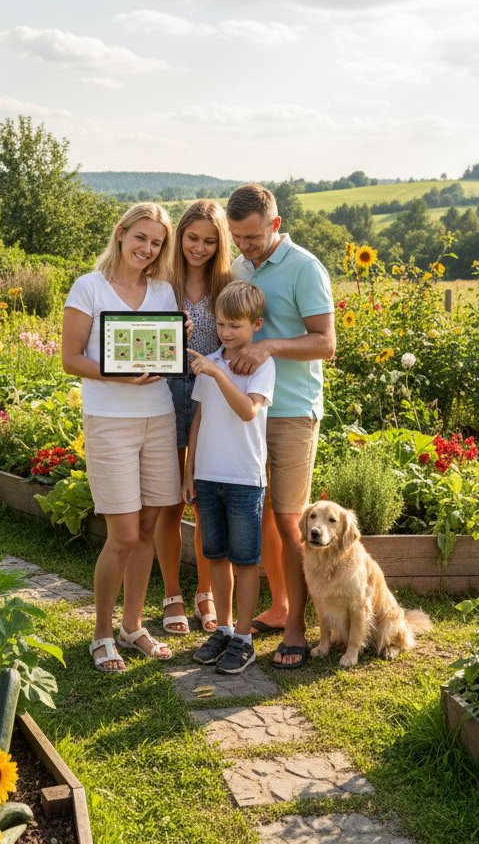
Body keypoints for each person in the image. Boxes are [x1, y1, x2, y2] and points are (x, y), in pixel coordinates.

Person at [62, 202, 182, 673]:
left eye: (156, 243)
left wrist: (175, 344)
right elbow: (71, 358)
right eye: (141, 238)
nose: (148, 249)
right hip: (110, 420)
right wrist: (120, 375)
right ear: (121, 234)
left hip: (159, 416)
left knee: (149, 529)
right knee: (124, 535)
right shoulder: (89, 287)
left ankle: (134, 627)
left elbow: (164, 350)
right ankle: (102, 633)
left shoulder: (163, 291)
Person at [225, 184, 335, 670]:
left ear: (274, 224)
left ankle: (296, 631)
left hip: (291, 408)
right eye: (236, 238)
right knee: (262, 512)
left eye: (250, 237)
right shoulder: (242, 268)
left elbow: (324, 343)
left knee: (291, 519)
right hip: (251, 408)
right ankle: (281, 604)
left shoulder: (305, 267)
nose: (243, 247)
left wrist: (269, 347)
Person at [182, 281, 275, 674]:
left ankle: (244, 637)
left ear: (255, 325)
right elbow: (199, 419)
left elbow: (247, 412)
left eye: (234, 325)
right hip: (208, 475)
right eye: (220, 324)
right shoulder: (211, 360)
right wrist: (189, 470)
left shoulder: (262, 365)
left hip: (243, 477)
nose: (225, 332)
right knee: (215, 556)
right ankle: (222, 628)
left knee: (246, 560)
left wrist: (218, 374)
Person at [154, 200, 233, 637]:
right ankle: (172, 593)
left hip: (209, 397)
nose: (198, 247)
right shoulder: (161, 283)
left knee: (204, 499)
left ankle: (205, 591)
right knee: (168, 501)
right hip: (163, 391)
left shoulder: (227, 284)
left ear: (219, 244)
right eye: (191, 238)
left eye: (208, 240)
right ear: (179, 236)